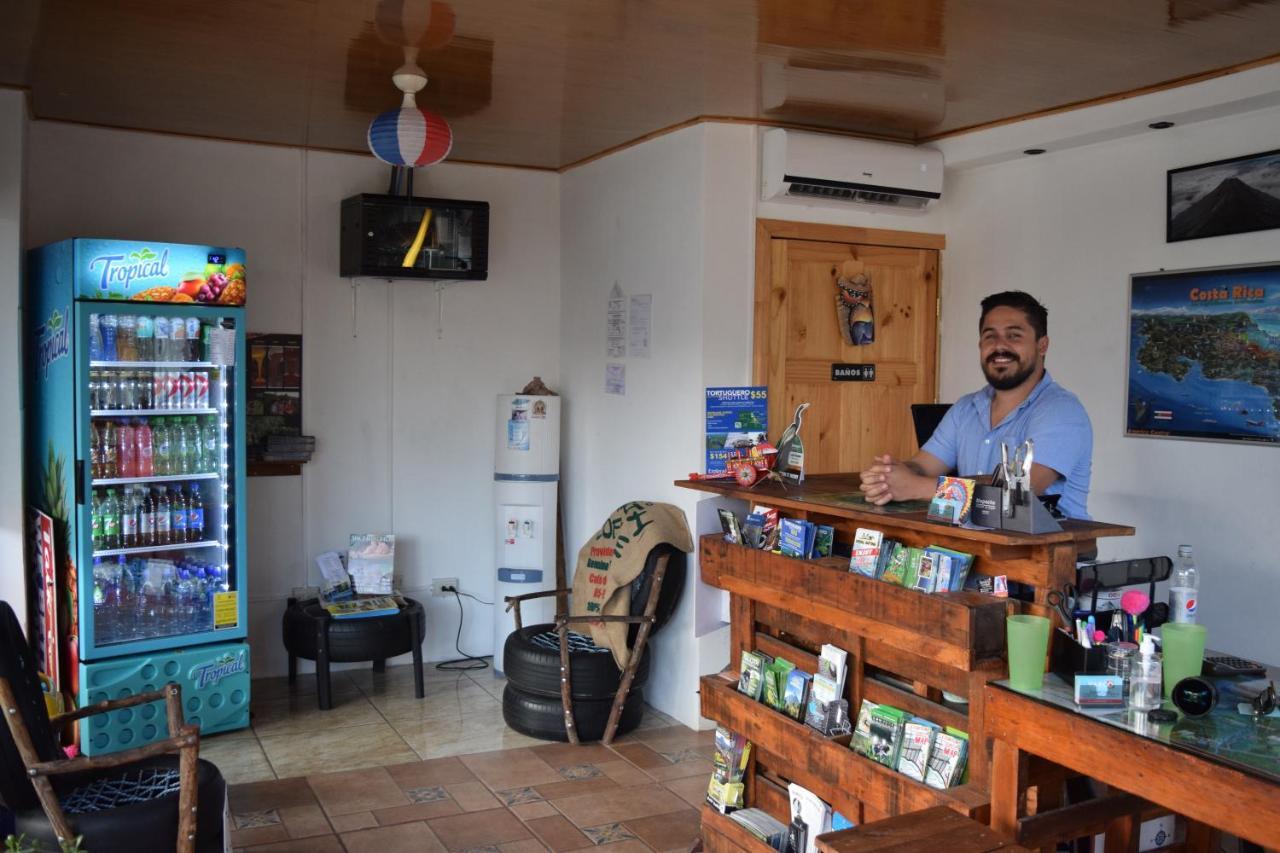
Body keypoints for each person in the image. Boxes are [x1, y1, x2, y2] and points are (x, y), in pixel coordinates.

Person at [859, 291, 1093, 519]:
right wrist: (889, 477)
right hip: (974, 548)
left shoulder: (1061, 410)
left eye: (1014, 336)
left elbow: (1019, 490)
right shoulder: (966, 408)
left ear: (1042, 345)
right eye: (990, 336)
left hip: (1050, 553)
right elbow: (923, 466)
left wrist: (916, 488)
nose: (999, 346)